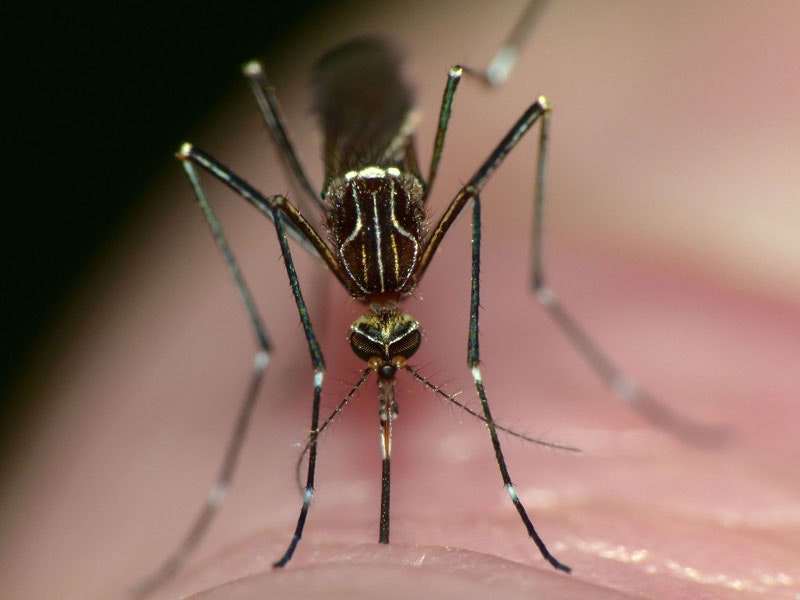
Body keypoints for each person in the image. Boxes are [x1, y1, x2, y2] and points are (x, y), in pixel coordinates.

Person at [3, 2, 798, 598]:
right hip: (351, 172)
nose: (384, 370)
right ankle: (258, 381)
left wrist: (477, 353)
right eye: (381, 349)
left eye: (390, 350)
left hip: (378, 167)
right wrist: (299, 357)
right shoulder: (366, 276)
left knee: (486, 112)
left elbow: (470, 199)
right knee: (235, 179)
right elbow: (269, 209)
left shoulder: (394, 261)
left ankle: (546, 294)